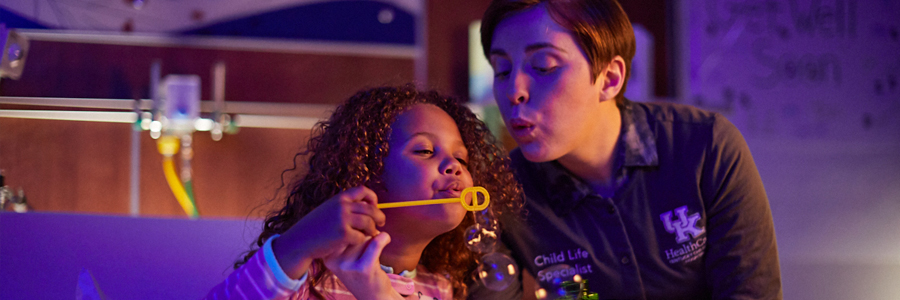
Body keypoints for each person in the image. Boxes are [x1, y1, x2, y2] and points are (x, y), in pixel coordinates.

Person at [468, 0, 782, 299]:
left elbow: (751, 292)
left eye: (543, 66)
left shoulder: (704, 147)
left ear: (610, 78)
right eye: (502, 70)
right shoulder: (505, 191)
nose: (513, 92)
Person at [205, 85, 522, 300]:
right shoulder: (314, 279)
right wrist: (299, 242)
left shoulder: (438, 286)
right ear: (366, 175)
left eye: (461, 158)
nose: (453, 165)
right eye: (425, 151)